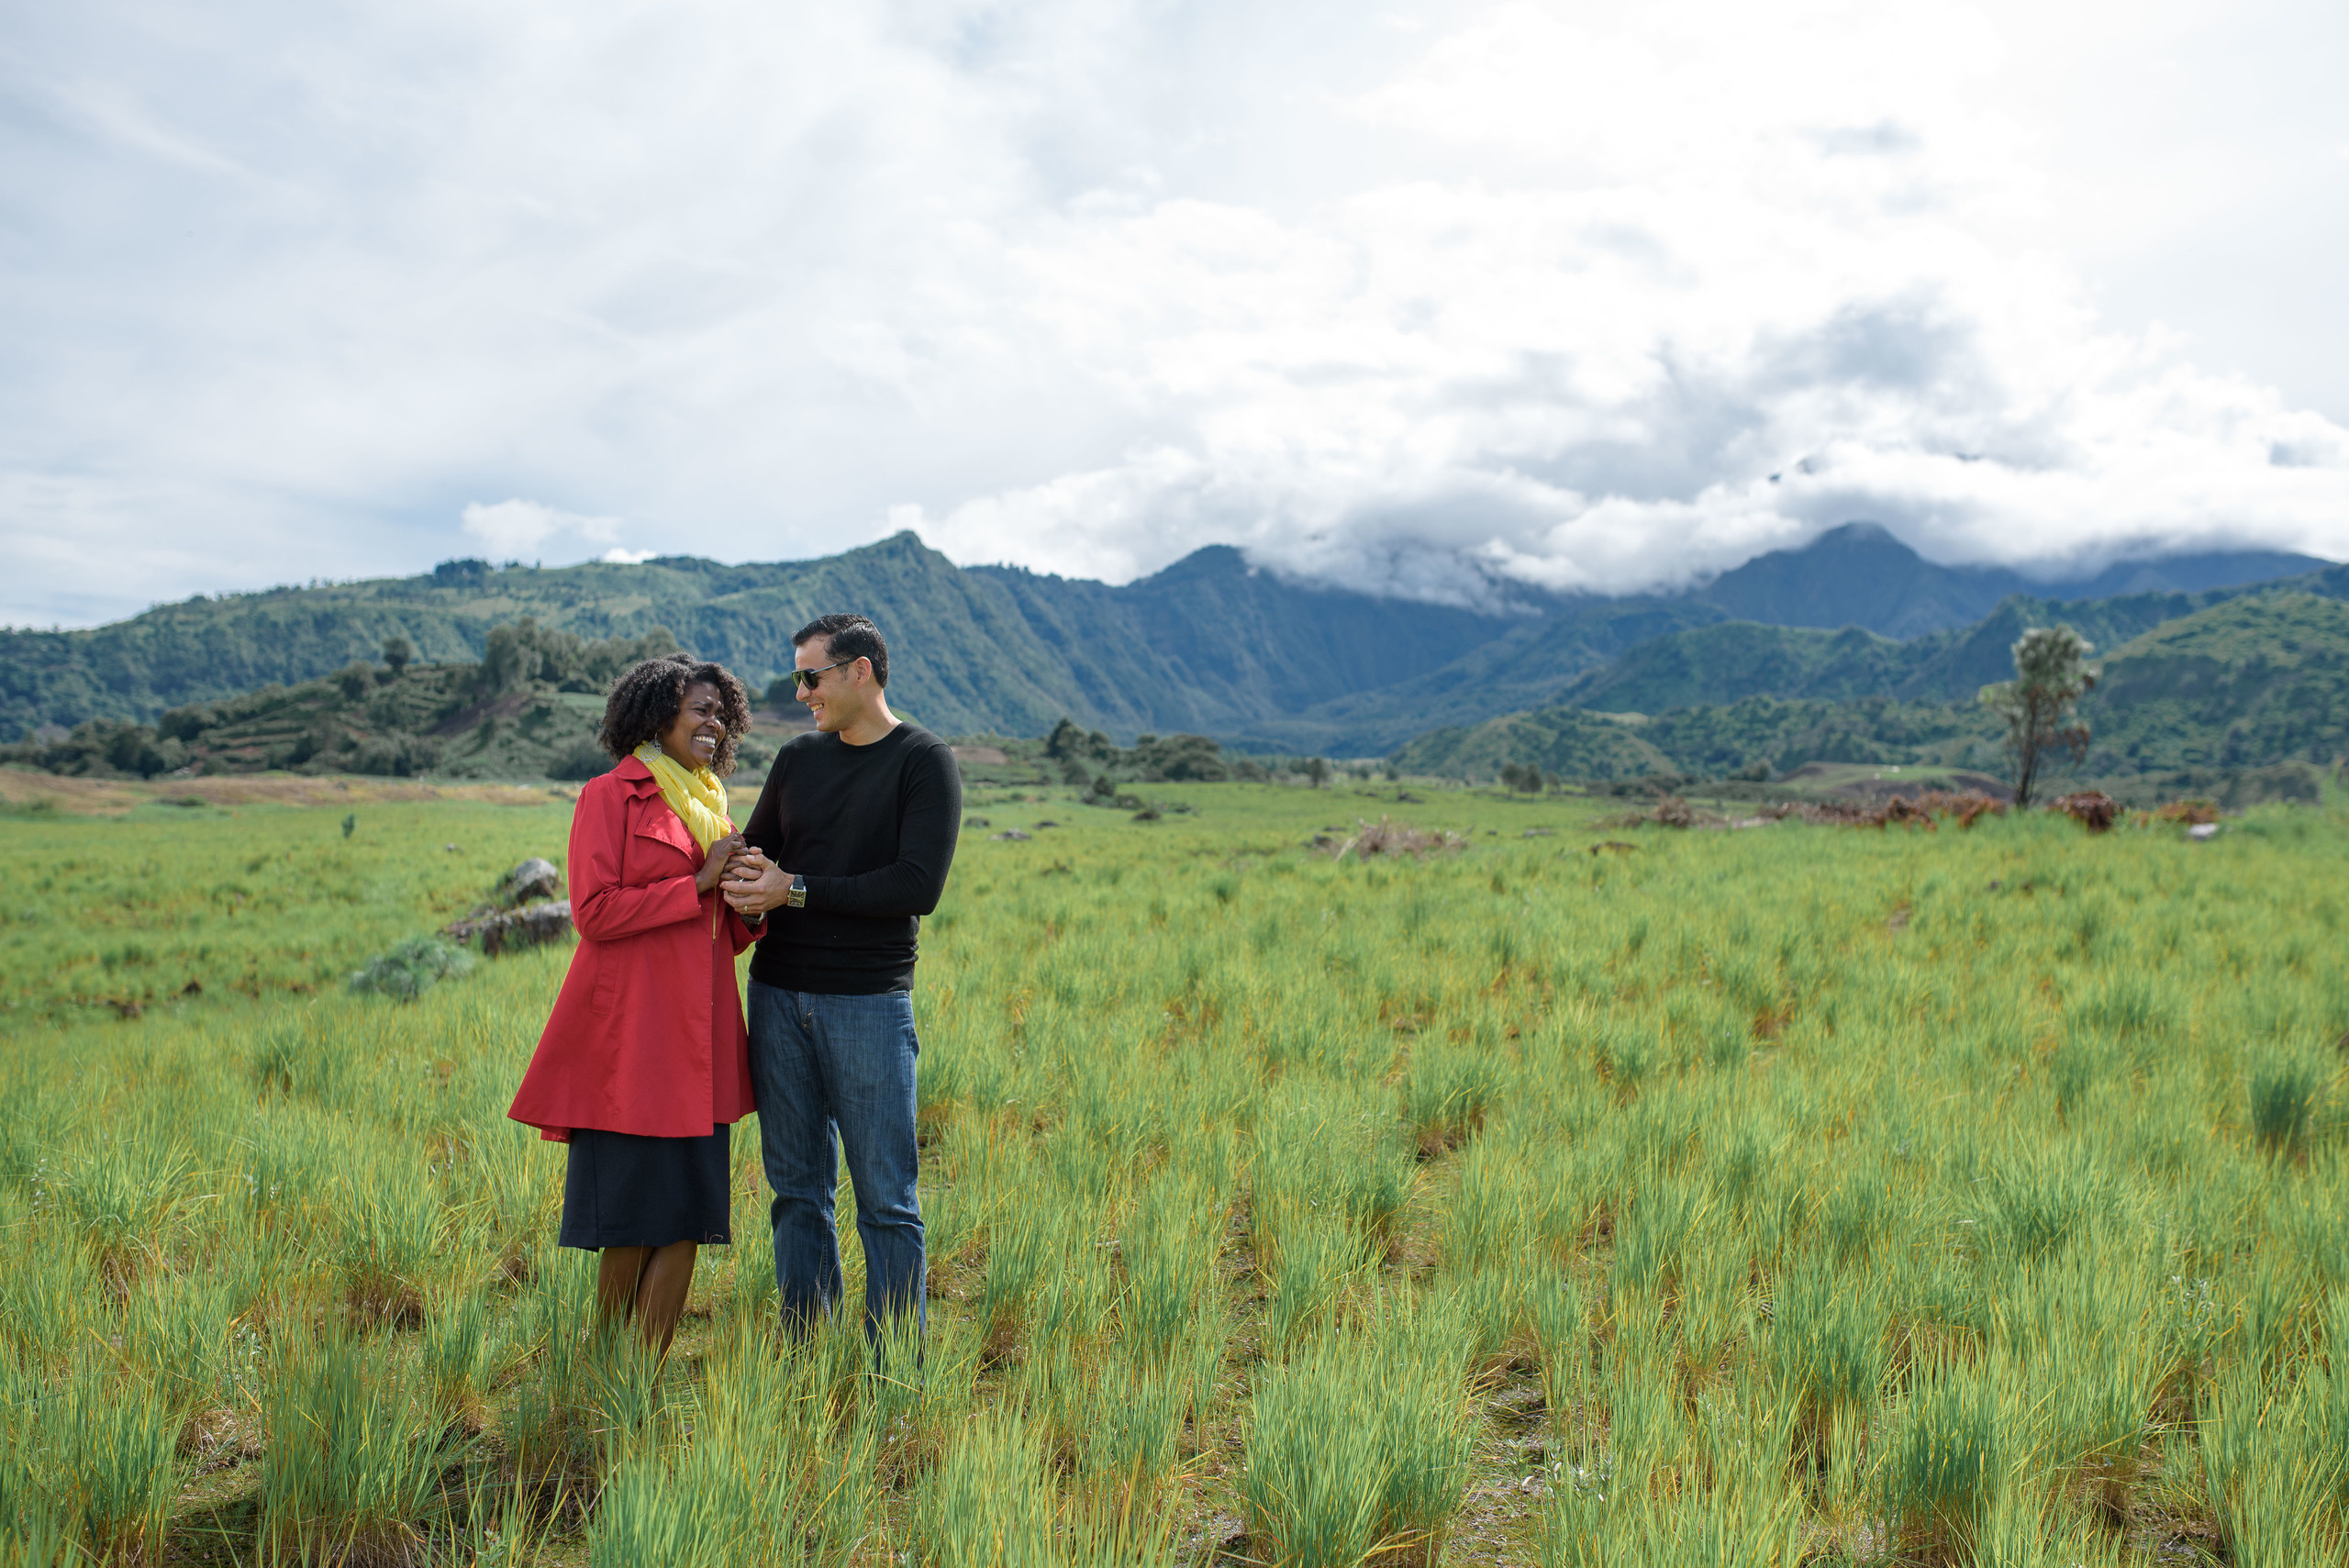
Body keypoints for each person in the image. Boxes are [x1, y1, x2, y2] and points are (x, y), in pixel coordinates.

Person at [507, 652, 762, 1359]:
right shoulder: (610, 795)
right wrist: (700, 881)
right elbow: (593, 912)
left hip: (702, 1043)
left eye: (720, 711)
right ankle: (599, 1369)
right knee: (627, 1221)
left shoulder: (712, 806)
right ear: (657, 714)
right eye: (699, 708)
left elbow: (725, 934)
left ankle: (637, 1387)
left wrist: (749, 897)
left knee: (687, 1220)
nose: (713, 721)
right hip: (632, 1044)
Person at [721, 613, 962, 1343]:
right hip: (777, 994)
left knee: (886, 1198)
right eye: (798, 677)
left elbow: (915, 885)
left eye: (811, 676)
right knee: (796, 1193)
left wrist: (794, 889)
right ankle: (807, 1354)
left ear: (860, 670)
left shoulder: (924, 760)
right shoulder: (798, 759)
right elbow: (757, 849)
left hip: (868, 1005)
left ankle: (896, 1369)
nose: (801, 693)